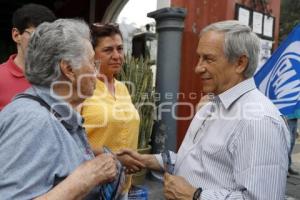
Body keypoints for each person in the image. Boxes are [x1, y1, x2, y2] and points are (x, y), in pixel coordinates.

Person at [118, 20, 290, 200]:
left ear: (240, 63)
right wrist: (148, 160)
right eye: (199, 58)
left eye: (208, 59)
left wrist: (195, 196)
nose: (198, 68)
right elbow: (202, 162)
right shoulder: (212, 103)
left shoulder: (259, 121)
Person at [0, 18, 143, 199]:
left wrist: (101, 158)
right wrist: (88, 177)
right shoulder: (34, 121)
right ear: (68, 69)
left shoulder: (56, 113)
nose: (95, 71)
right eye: (92, 62)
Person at [80, 23, 140, 199]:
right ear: (91, 54)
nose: (116, 56)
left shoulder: (123, 88)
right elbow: (69, 141)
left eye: (120, 49)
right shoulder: (81, 88)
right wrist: (115, 159)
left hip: (121, 187)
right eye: (108, 50)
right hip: (91, 187)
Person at [0, 3, 56, 111]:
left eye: (48, 36)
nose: (43, 42)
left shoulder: (59, 75)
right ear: (16, 35)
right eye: (36, 35)